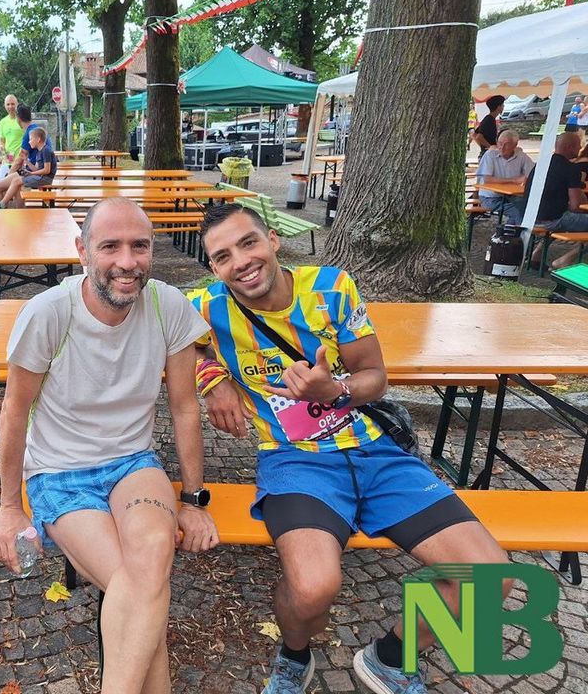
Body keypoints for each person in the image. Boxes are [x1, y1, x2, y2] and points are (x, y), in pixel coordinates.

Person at [190, 203, 510, 694]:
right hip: (294, 459)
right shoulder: (204, 306)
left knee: (490, 579)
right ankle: (294, 655)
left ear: (273, 240)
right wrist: (213, 380)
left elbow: (375, 376)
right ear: (213, 268)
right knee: (313, 587)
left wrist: (335, 390)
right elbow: (161, 329)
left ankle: (390, 658)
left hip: (375, 452)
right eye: (222, 256)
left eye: (248, 242)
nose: (240, 262)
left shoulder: (331, 288)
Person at [0, 198, 219, 693]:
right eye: (110, 246)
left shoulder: (167, 305)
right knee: (139, 590)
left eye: (140, 246)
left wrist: (193, 500)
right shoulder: (49, 313)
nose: (127, 262)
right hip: (59, 472)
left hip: (133, 464)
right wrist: (9, 507)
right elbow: (14, 411)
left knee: (149, 562)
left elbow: (185, 407)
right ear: (82, 251)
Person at [524, 131, 588, 269]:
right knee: (563, 218)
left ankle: (536, 255)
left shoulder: (541, 163)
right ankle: (565, 259)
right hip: (552, 220)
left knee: (559, 216)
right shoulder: (571, 169)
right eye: (578, 145)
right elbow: (575, 206)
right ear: (570, 147)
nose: (580, 148)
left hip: (530, 216)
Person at [474, 129, 535, 223]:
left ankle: (508, 230)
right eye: (500, 143)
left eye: (507, 144)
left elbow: (534, 173)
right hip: (490, 197)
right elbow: (487, 179)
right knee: (517, 212)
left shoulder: (521, 156)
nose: (502, 147)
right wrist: (514, 180)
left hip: (512, 196)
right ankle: (512, 230)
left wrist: (527, 178)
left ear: (515, 145)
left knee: (530, 208)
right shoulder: (490, 155)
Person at [0, 127, 57, 208]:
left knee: (16, 181)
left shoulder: (46, 150)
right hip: (40, 177)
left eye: (31, 139)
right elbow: (36, 169)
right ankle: (11, 206)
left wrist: (31, 173)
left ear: (38, 139)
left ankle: (2, 204)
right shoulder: (39, 152)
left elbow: (47, 170)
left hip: (45, 179)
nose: (29, 142)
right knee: (16, 180)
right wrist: (26, 161)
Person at [0, 94, 24, 180]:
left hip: (21, 161)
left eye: (13, 104)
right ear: (4, 105)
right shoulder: (3, 122)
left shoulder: (22, 120)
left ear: (17, 104)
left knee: (17, 186)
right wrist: (2, 148)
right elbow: (1, 141)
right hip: (7, 159)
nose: (10, 107)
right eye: (8, 104)